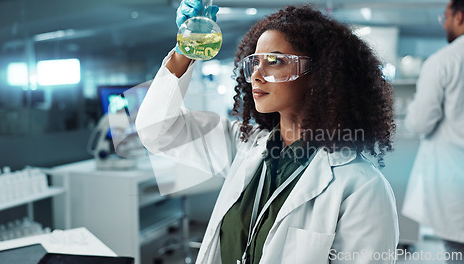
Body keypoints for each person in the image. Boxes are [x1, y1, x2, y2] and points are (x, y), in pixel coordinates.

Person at [136, 2, 399, 263]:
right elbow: (157, 129)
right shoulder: (245, 145)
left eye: (274, 62)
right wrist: (186, 50)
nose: (257, 76)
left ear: (320, 75)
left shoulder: (362, 187)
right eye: (255, 63)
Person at [402, 0, 464, 262]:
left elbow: (420, 122)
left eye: (446, 17)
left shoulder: (443, 61)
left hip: (455, 183)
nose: (445, 23)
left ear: (460, 16)